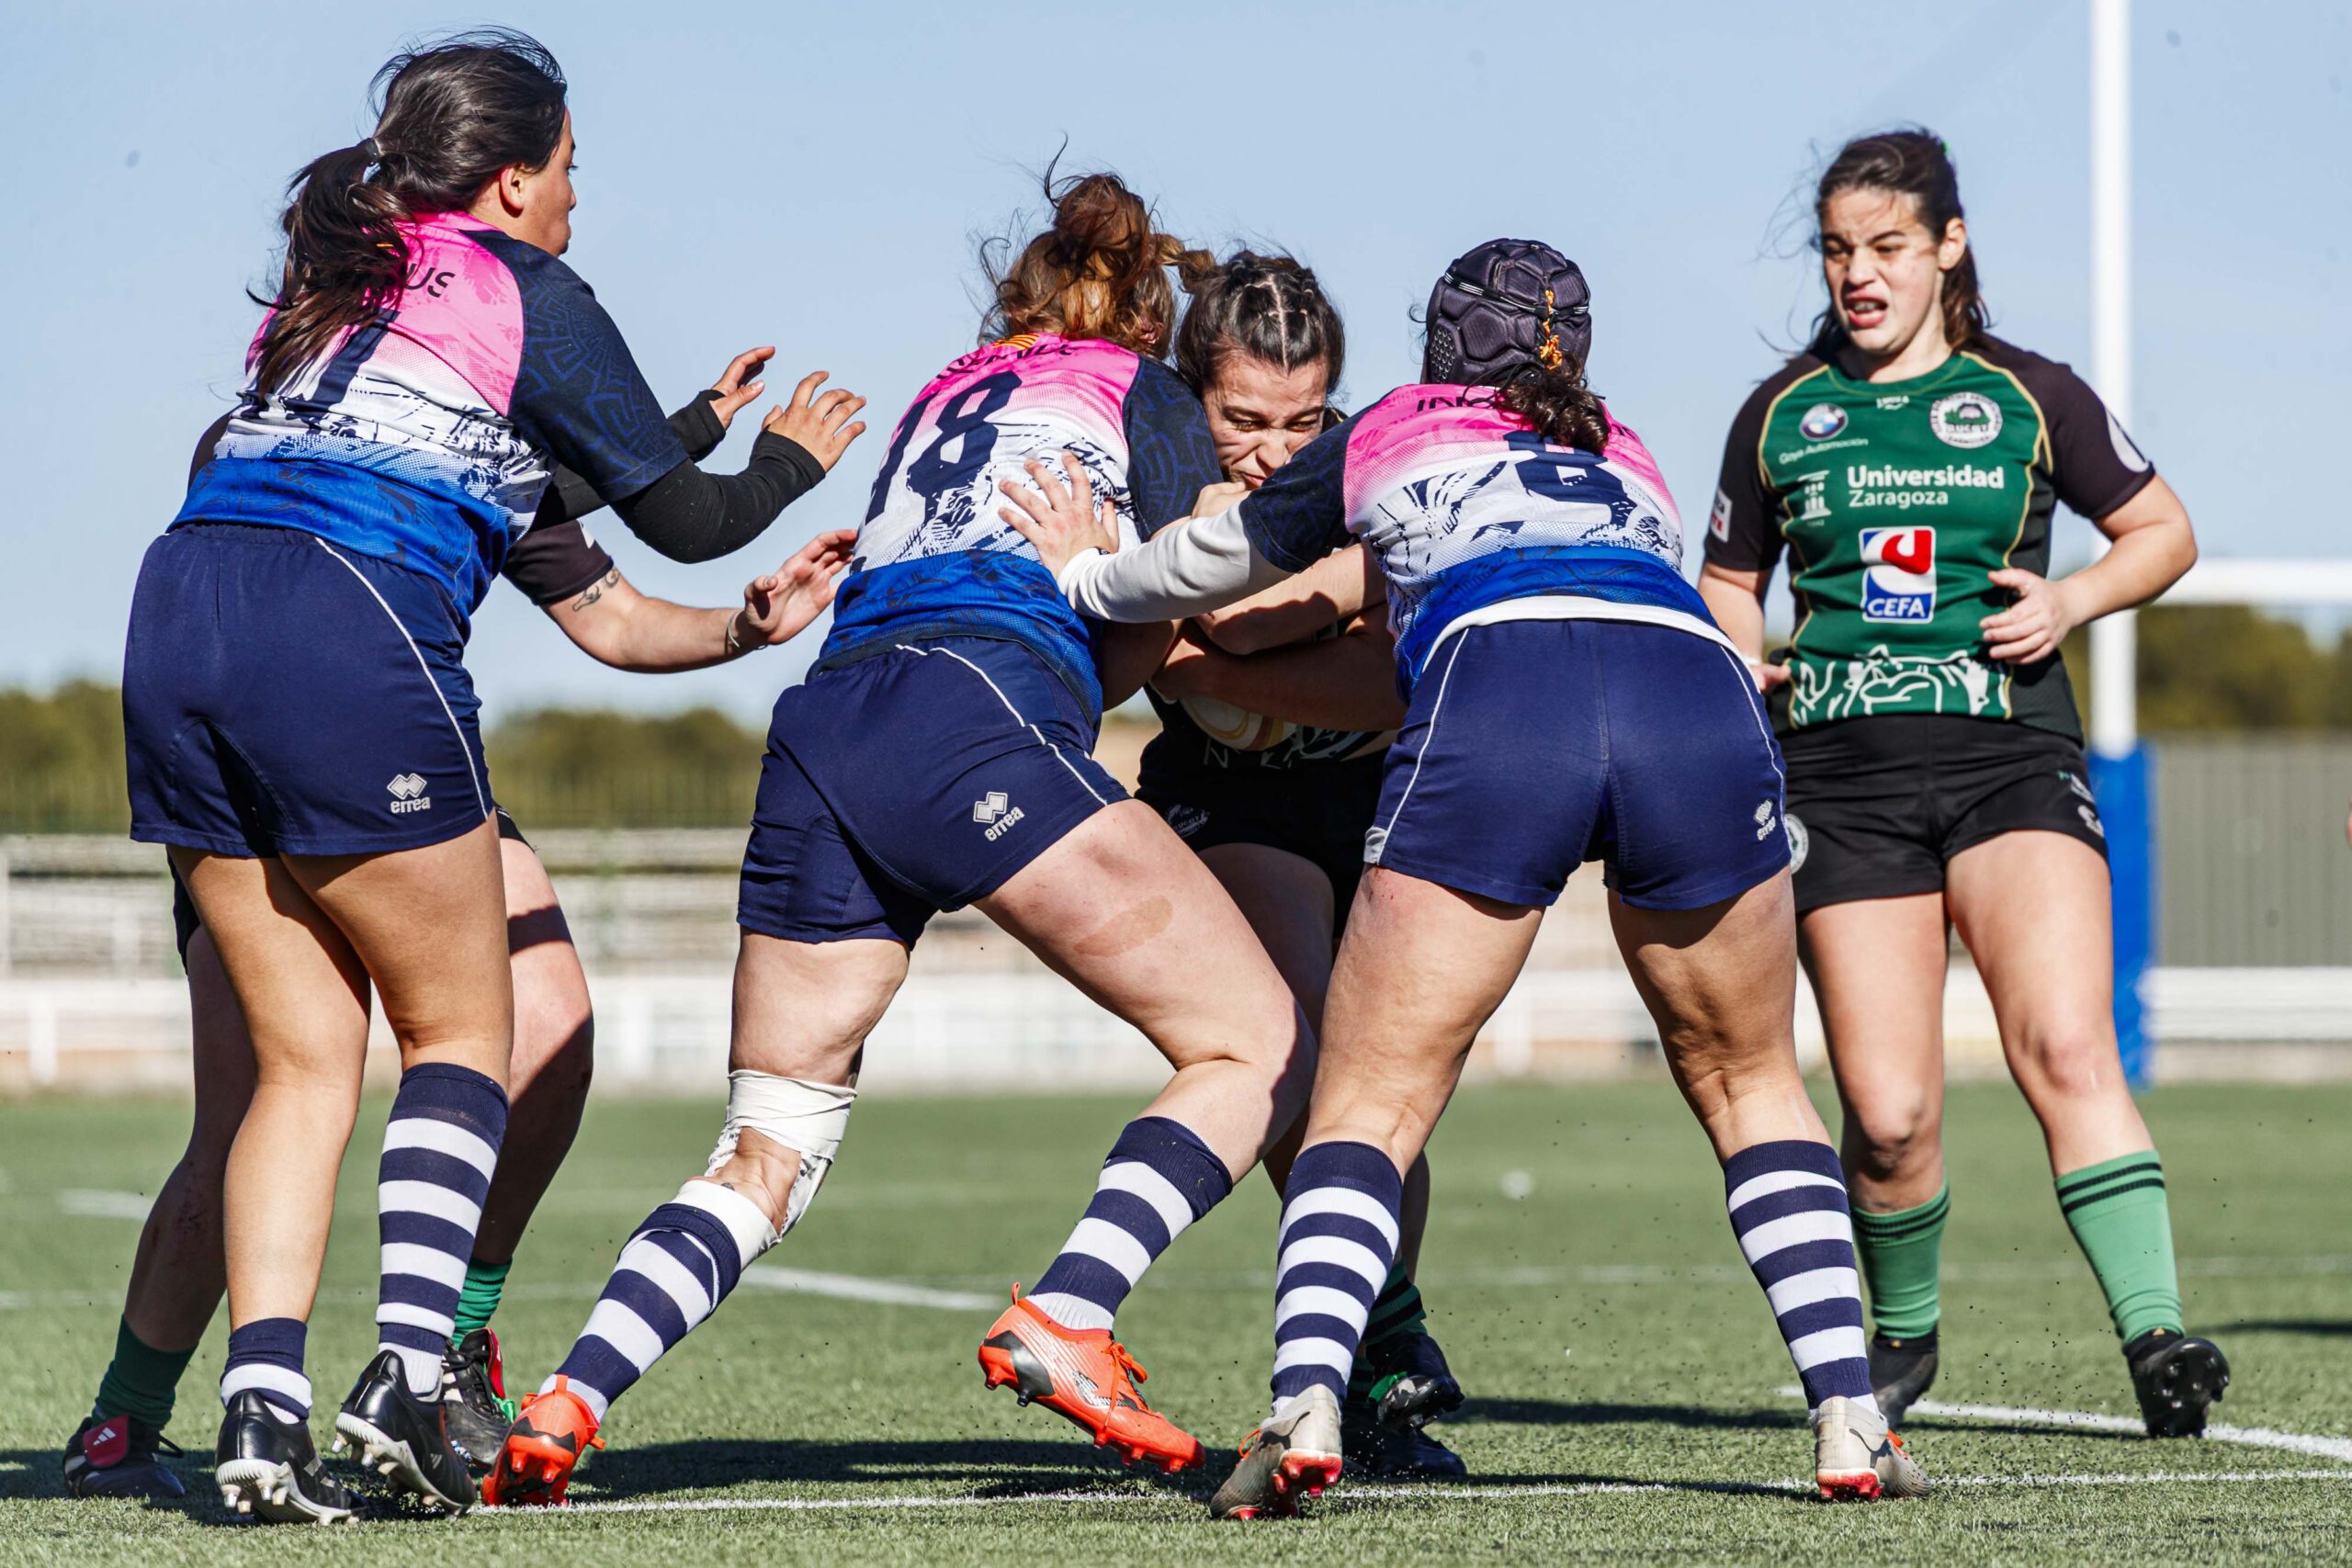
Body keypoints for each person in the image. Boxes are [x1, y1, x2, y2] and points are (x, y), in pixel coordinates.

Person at [1001, 237, 1931, 1516]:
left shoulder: (1393, 426)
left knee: (1371, 1095)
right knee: (1751, 1079)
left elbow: (1211, 573)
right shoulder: (1627, 448)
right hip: (1689, 694)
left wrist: (1089, 578)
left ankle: (1308, 1402)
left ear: (1433, 345)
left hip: (1507, 698)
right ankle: (1846, 1418)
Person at [484, 170, 1316, 1506]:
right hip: (971, 708)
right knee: (1255, 1041)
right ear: (1149, 313)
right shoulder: (1143, 397)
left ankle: (571, 1395)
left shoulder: (943, 393)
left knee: (770, 1141)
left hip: (823, 725)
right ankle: (1072, 1310)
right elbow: (1139, 630)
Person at [117, 30, 859, 1523]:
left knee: (305, 1064)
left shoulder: (350, 284)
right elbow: (687, 521)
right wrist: (778, 464)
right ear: (514, 180)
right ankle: (407, 1371)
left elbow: (543, 498)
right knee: (467, 1030)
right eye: (574, 168)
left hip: (184, 610)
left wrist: (705, 498)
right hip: (345, 616)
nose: (583, 195)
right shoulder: (528, 287)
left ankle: (259, 1415)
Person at [1694, 129, 2220, 1436]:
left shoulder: (2032, 393)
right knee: (1887, 1114)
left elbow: (2164, 531)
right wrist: (1735, 661)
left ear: (1948, 245)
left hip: (2012, 760)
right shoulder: (1778, 415)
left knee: (2064, 1043)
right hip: (1844, 782)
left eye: (1886, 248)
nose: (1859, 275)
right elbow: (1729, 589)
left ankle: (2158, 1337)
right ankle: (1905, 1341)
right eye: (1837, 250)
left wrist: (2074, 598)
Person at [1135, 251, 1463, 1478]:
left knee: (1387, 1089)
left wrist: (1222, 658)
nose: (1278, 453)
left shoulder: (1368, 489)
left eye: (1305, 422)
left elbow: (1380, 682)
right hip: (1230, 806)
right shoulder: (1152, 484)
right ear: (1189, 401)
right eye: (1244, 421)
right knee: (1309, 1057)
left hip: (1364, 791)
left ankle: (1383, 1343)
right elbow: (1192, 618)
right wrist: (1292, 620)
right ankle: (1381, 1340)